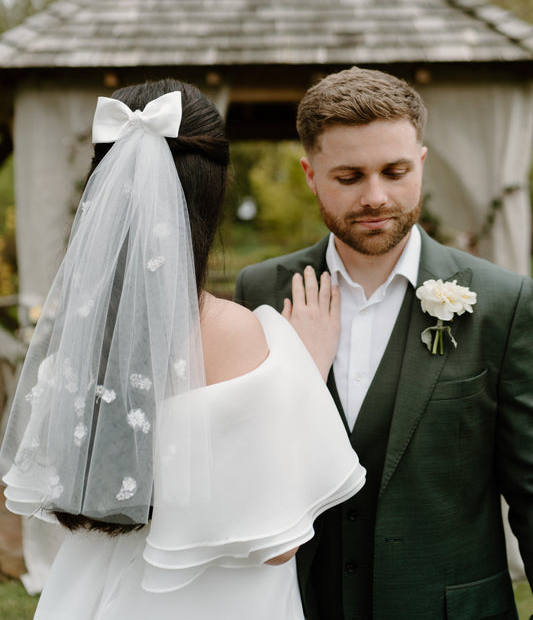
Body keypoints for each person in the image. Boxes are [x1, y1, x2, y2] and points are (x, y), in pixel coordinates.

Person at [0, 79, 366, 620]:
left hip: (92, 593)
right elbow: (278, 543)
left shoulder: (79, 341)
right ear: (212, 195)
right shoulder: (241, 334)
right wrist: (303, 374)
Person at [234, 66, 533, 620]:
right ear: (310, 174)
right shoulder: (262, 291)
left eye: (394, 172)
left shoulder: (502, 301)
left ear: (420, 163)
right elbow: (246, 464)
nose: (376, 197)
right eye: (349, 177)